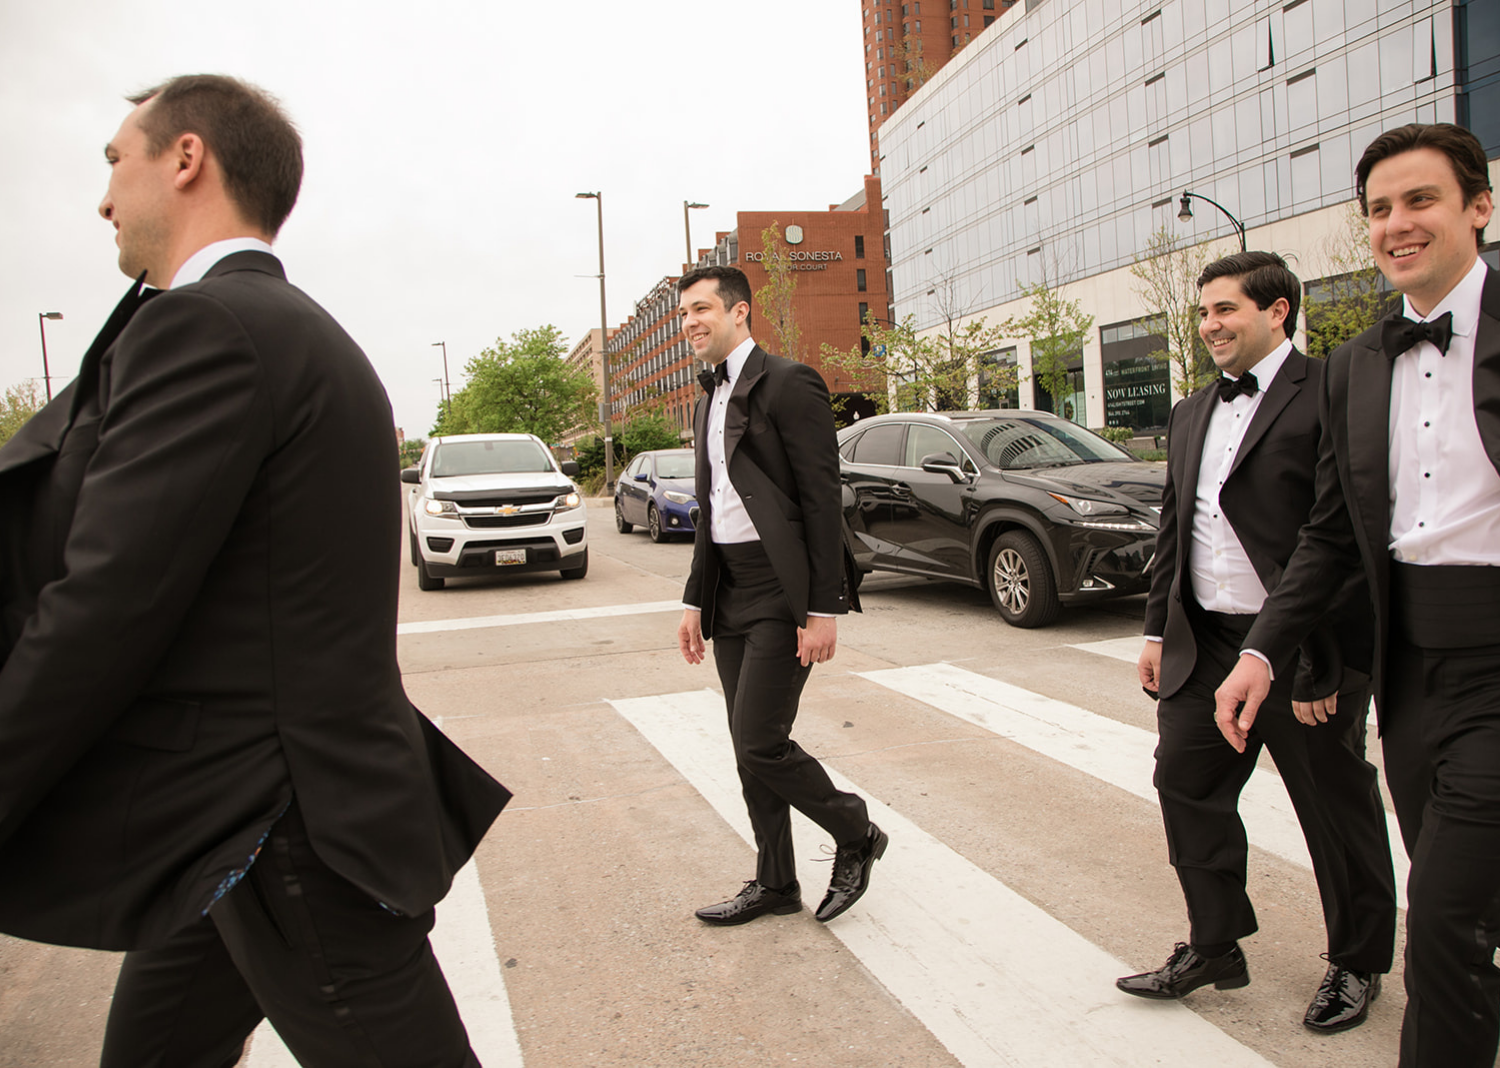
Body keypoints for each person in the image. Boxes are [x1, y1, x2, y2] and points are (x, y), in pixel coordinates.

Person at [0, 75, 510, 1067]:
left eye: (115, 161)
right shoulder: (296, 332)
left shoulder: (208, 331)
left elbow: (104, 606)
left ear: (185, 159)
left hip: (279, 828)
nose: (103, 198)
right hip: (236, 824)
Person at [1216, 123, 1499, 1066]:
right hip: (1413, 672)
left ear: (1479, 208)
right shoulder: (1353, 369)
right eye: (1379, 209)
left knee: (1448, 923)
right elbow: (1330, 534)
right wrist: (1263, 649)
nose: (1396, 224)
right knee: (1471, 904)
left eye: (1420, 200)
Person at [1118, 252, 1396, 1031]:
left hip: (1304, 649)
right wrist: (1153, 627)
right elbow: (1177, 526)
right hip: (1203, 642)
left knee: (1334, 811)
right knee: (1184, 784)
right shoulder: (1191, 410)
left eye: (1226, 310)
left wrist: (1323, 663)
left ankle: (1358, 962)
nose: (1210, 325)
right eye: (1204, 312)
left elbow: (1338, 538)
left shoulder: (1330, 396)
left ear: (1278, 312)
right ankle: (1216, 943)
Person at [675, 265, 885, 927]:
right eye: (685, 314)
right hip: (729, 588)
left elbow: (823, 501)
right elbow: (714, 511)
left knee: (762, 739)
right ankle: (774, 882)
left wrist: (821, 608)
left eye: (702, 309)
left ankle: (856, 832)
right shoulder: (708, 399)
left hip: (780, 588)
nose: (691, 324)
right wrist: (692, 600)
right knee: (746, 744)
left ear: (741, 313)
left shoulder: (790, 383)